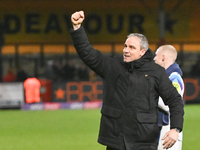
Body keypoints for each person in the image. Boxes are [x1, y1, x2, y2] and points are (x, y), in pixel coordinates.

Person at [70, 11, 184, 150]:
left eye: (131, 47)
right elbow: (88, 54)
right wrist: (77, 28)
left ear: (142, 52)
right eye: (125, 46)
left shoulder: (156, 72)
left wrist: (175, 128)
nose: (126, 50)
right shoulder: (113, 66)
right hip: (115, 140)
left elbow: (175, 100)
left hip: (144, 141)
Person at [154, 45, 184, 150]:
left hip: (170, 128)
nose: (154, 59)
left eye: (156, 56)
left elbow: (170, 105)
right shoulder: (165, 76)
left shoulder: (175, 77)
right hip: (162, 127)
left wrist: (149, 96)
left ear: (163, 57)